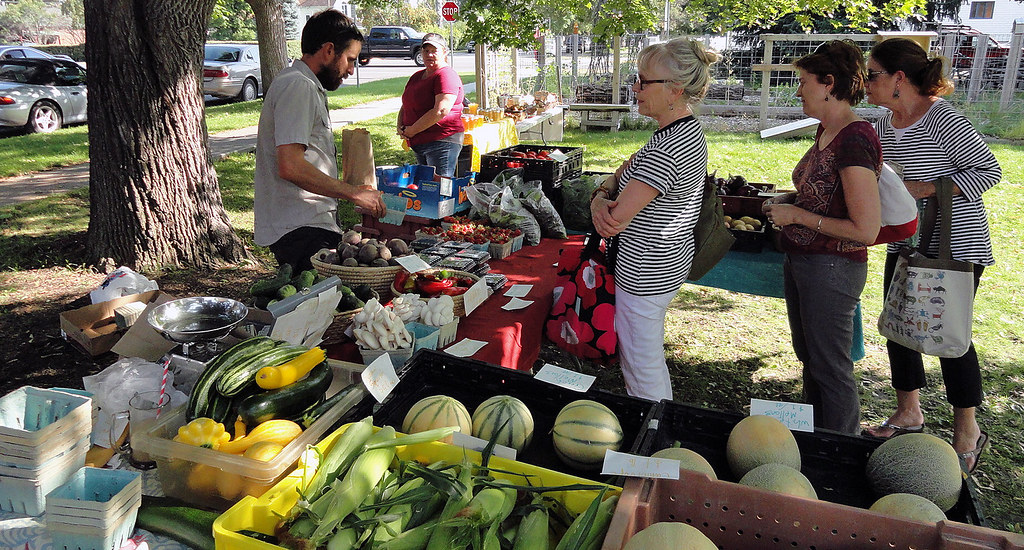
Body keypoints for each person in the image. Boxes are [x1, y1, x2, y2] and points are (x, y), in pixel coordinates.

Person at [861, 38, 1001, 473]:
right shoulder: (882, 124)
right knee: (898, 327)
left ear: (899, 78)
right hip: (906, 244)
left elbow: (989, 170)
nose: (866, 83)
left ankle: (968, 433)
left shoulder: (942, 119)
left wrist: (928, 189)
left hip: (954, 247)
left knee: (948, 337)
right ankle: (908, 413)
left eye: (872, 75)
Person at [588, 38, 719, 402]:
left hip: (646, 271)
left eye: (644, 81)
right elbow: (624, 170)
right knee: (645, 357)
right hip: (662, 262)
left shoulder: (668, 148)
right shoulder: (680, 132)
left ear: (675, 90)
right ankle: (658, 422)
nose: (636, 88)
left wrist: (599, 198)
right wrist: (609, 185)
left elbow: (613, 220)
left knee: (641, 365)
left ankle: (654, 427)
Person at [762, 40, 881, 434]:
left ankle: (841, 445)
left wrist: (797, 215)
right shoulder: (827, 130)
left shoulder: (855, 138)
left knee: (830, 367)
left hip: (833, 268)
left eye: (804, 82)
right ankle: (817, 440)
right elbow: (828, 198)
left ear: (829, 83)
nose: (798, 91)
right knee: (811, 360)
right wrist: (791, 199)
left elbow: (865, 229)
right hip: (805, 261)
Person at [254, 9, 386, 273]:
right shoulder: (298, 85)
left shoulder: (302, 83)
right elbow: (290, 166)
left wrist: (350, 187)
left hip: (306, 225)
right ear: (328, 50)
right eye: (350, 59)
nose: (351, 70)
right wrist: (353, 193)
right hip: (300, 227)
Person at [397, 33, 465, 177]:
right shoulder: (417, 76)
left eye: (434, 51)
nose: (429, 55)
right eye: (426, 51)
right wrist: (400, 126)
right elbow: (406, 104)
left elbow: (441, 110)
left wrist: (412, 130)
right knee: (425, 185)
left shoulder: (446, 75)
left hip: (441, 141)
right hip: (419, 141)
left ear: (444, 52)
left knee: (439, 185)